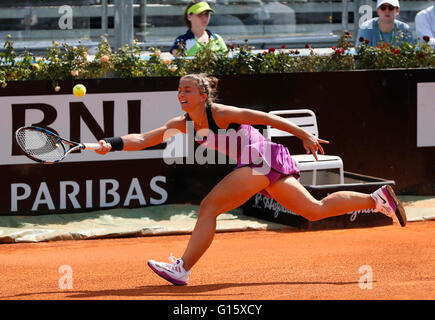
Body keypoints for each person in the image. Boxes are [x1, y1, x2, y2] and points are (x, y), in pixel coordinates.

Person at [96, 73, 407, 286]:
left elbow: (266, 118)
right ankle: (377, 199)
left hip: (259, 160)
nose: (181, 94)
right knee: (314, 209)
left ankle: (182, 269)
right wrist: (110, 143)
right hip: (263, 162)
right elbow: (143, 138)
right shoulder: (182, 122)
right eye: (179, 90)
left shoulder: (221, 113)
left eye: (187, 90)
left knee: (208, 207)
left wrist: (304, 135)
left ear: (203, 95)